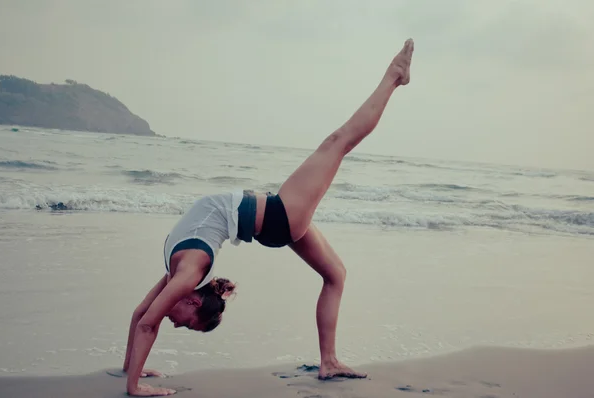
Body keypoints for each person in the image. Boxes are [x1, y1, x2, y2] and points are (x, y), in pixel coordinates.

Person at [122, 38, 415, 396]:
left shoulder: (182, 274)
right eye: (186, 327)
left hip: (277, 217)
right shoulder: (186, 274)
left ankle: (329, 361)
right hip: (279, 218)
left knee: (335, 274)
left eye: (186, 325)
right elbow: (148, 322)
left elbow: (143, 316)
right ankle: (393, 78)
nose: (177, 325)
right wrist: (135, 384)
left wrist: (130, 375)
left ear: (193, 301)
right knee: (338, 142)